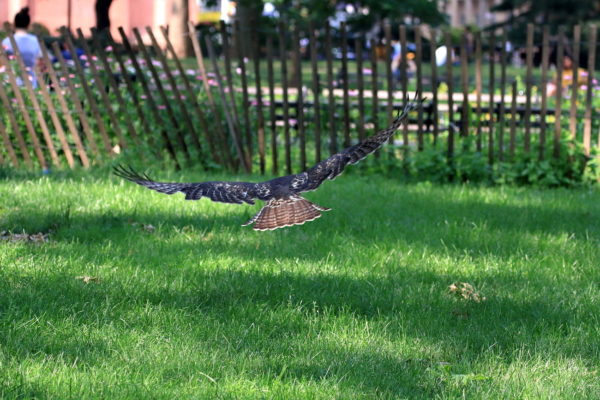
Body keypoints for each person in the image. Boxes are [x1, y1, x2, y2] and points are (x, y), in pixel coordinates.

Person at [1, 7, 43, 88]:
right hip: (31, 83)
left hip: (11, 83)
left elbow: (2, 62)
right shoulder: (35, 41)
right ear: (28, 24)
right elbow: (40, 61)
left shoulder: (7, 41)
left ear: (14, 23)